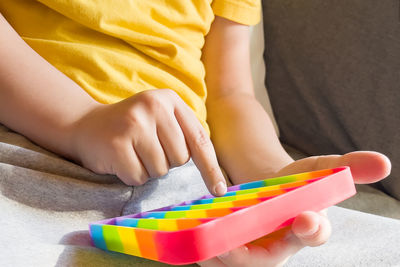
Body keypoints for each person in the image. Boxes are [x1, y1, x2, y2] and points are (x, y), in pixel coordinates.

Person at [0, 1, 392, 266]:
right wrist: (80, 121)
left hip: (193, 192)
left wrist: (271, 178)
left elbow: (230, 93)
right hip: (30, 160)